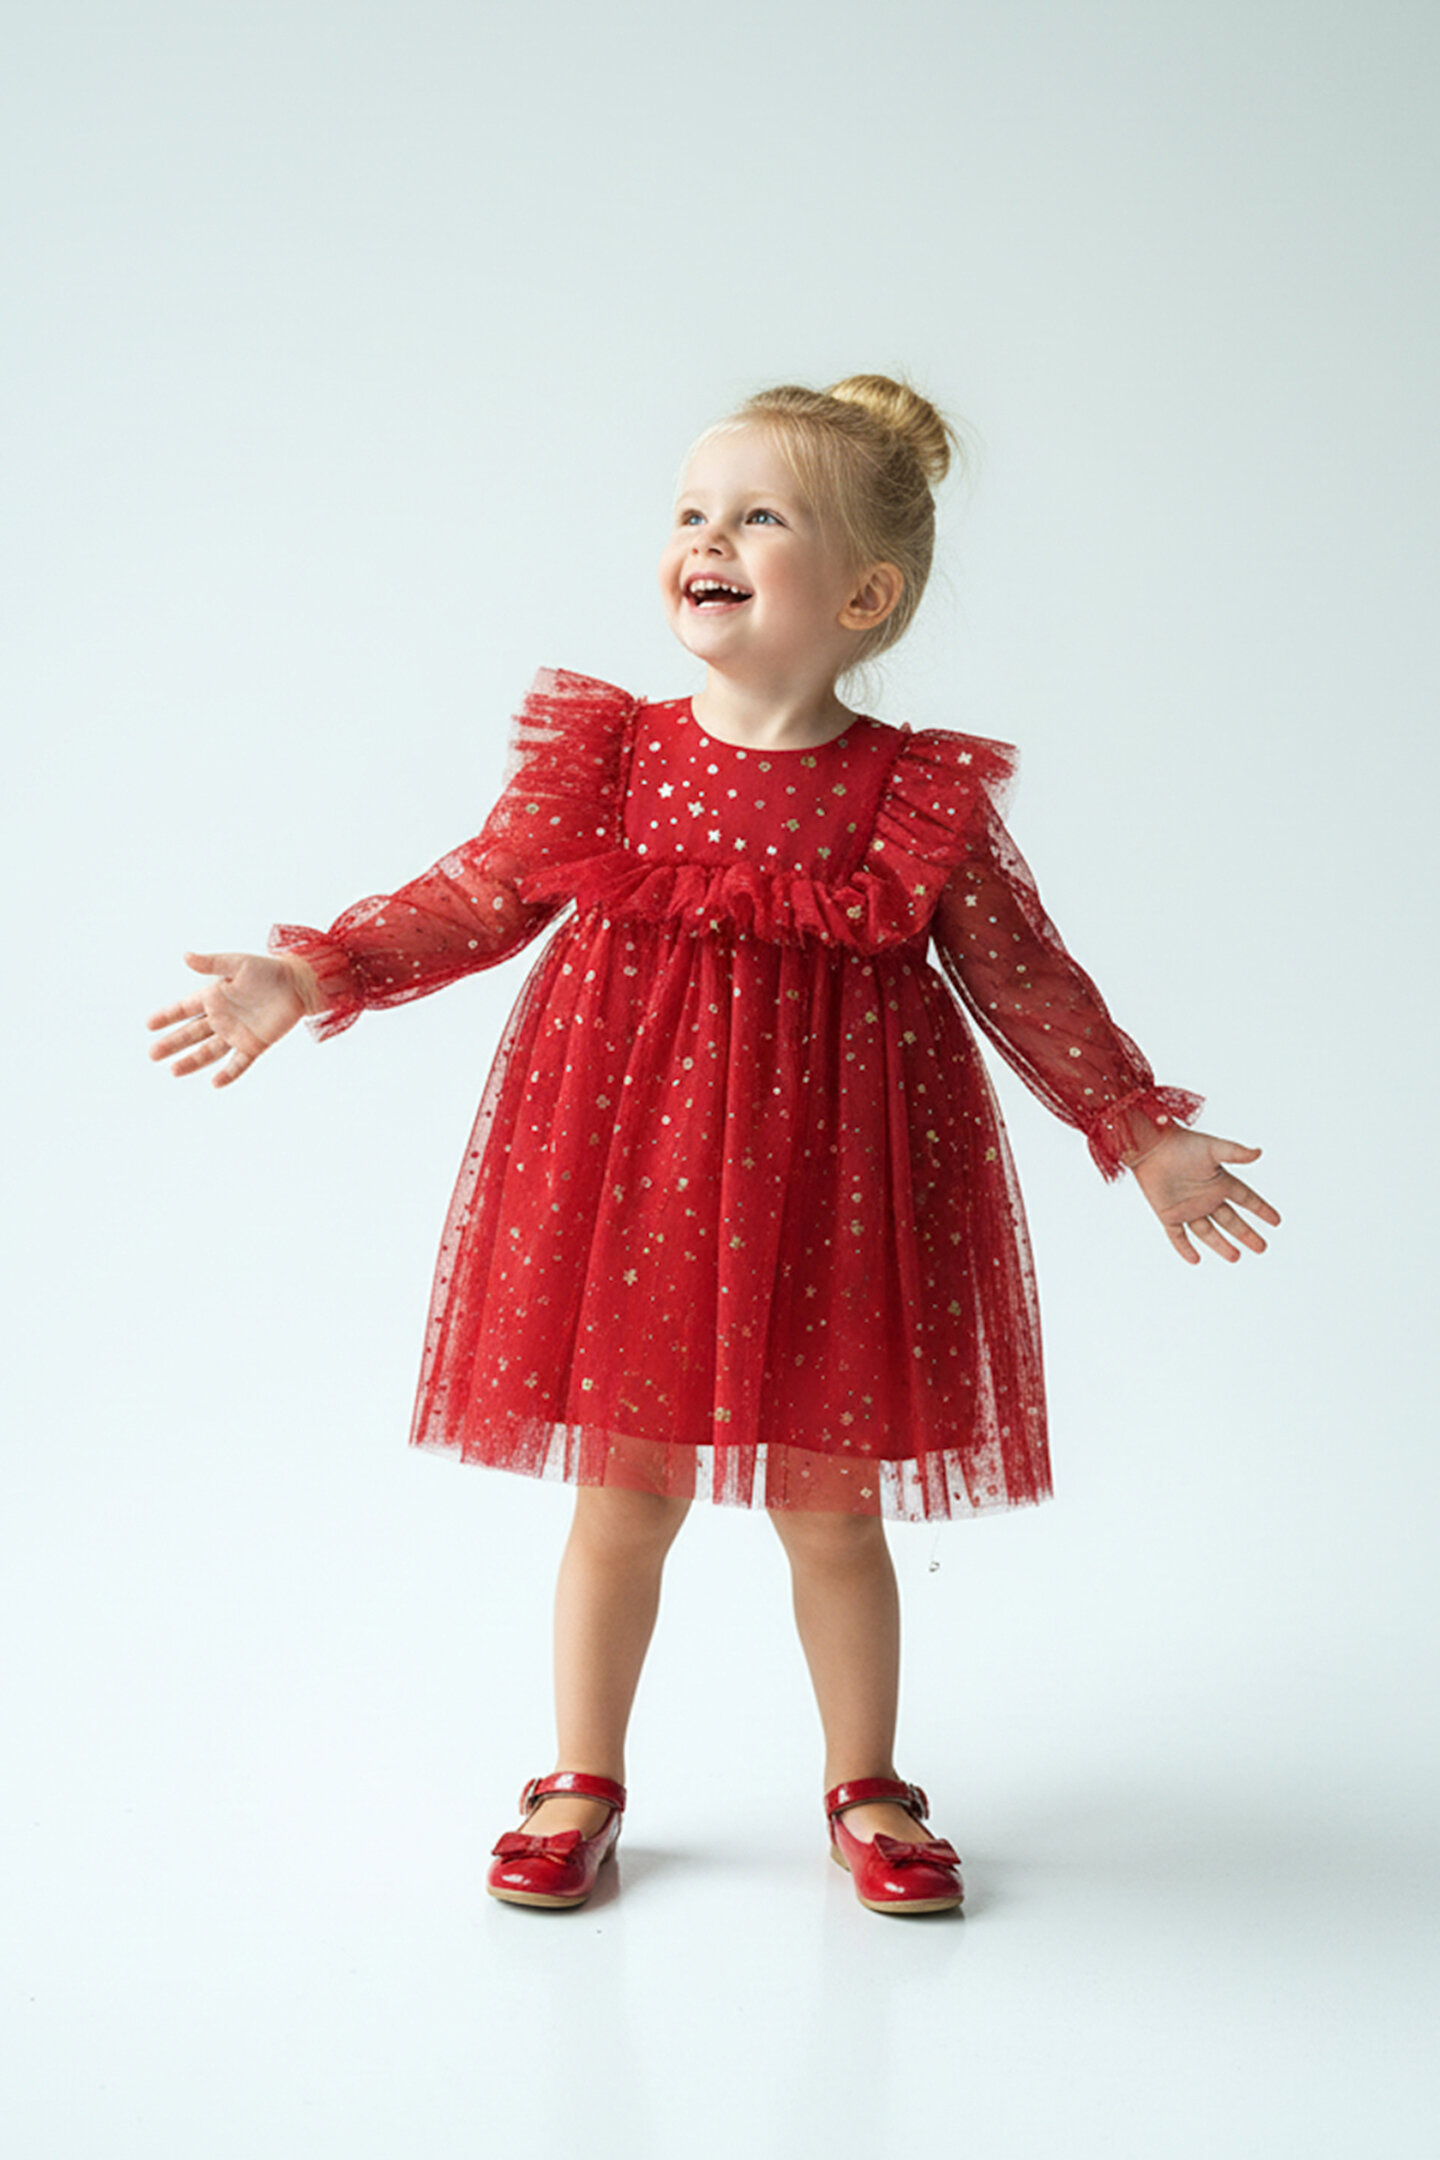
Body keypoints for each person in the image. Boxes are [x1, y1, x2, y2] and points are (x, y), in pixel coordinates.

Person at [147, 375, 1279, 1918]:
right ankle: (579, 1779)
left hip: (838, 1192)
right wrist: (314, 971)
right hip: (641, 1188)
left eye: (758, 517)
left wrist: (1134, 1127)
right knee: (623, 1500)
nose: (707, 538)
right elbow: (482, 894)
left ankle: (869, 1785)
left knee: (835, 1512)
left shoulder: (911, 795)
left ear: (865, 596)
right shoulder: (616, 758)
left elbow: (1021, 976)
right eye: (691, 512)